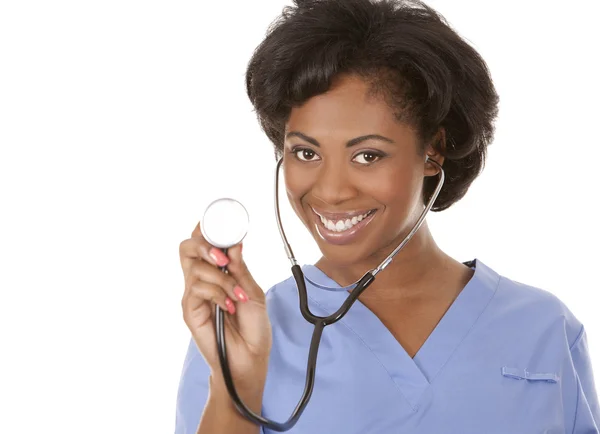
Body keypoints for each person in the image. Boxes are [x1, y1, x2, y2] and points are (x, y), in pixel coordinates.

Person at [175, 0, 600, 432]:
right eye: (306, 152)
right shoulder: (235, 334)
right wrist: (236, 388)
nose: (331, 190)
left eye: (367, 155)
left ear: (433, 150)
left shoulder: (542, 329)